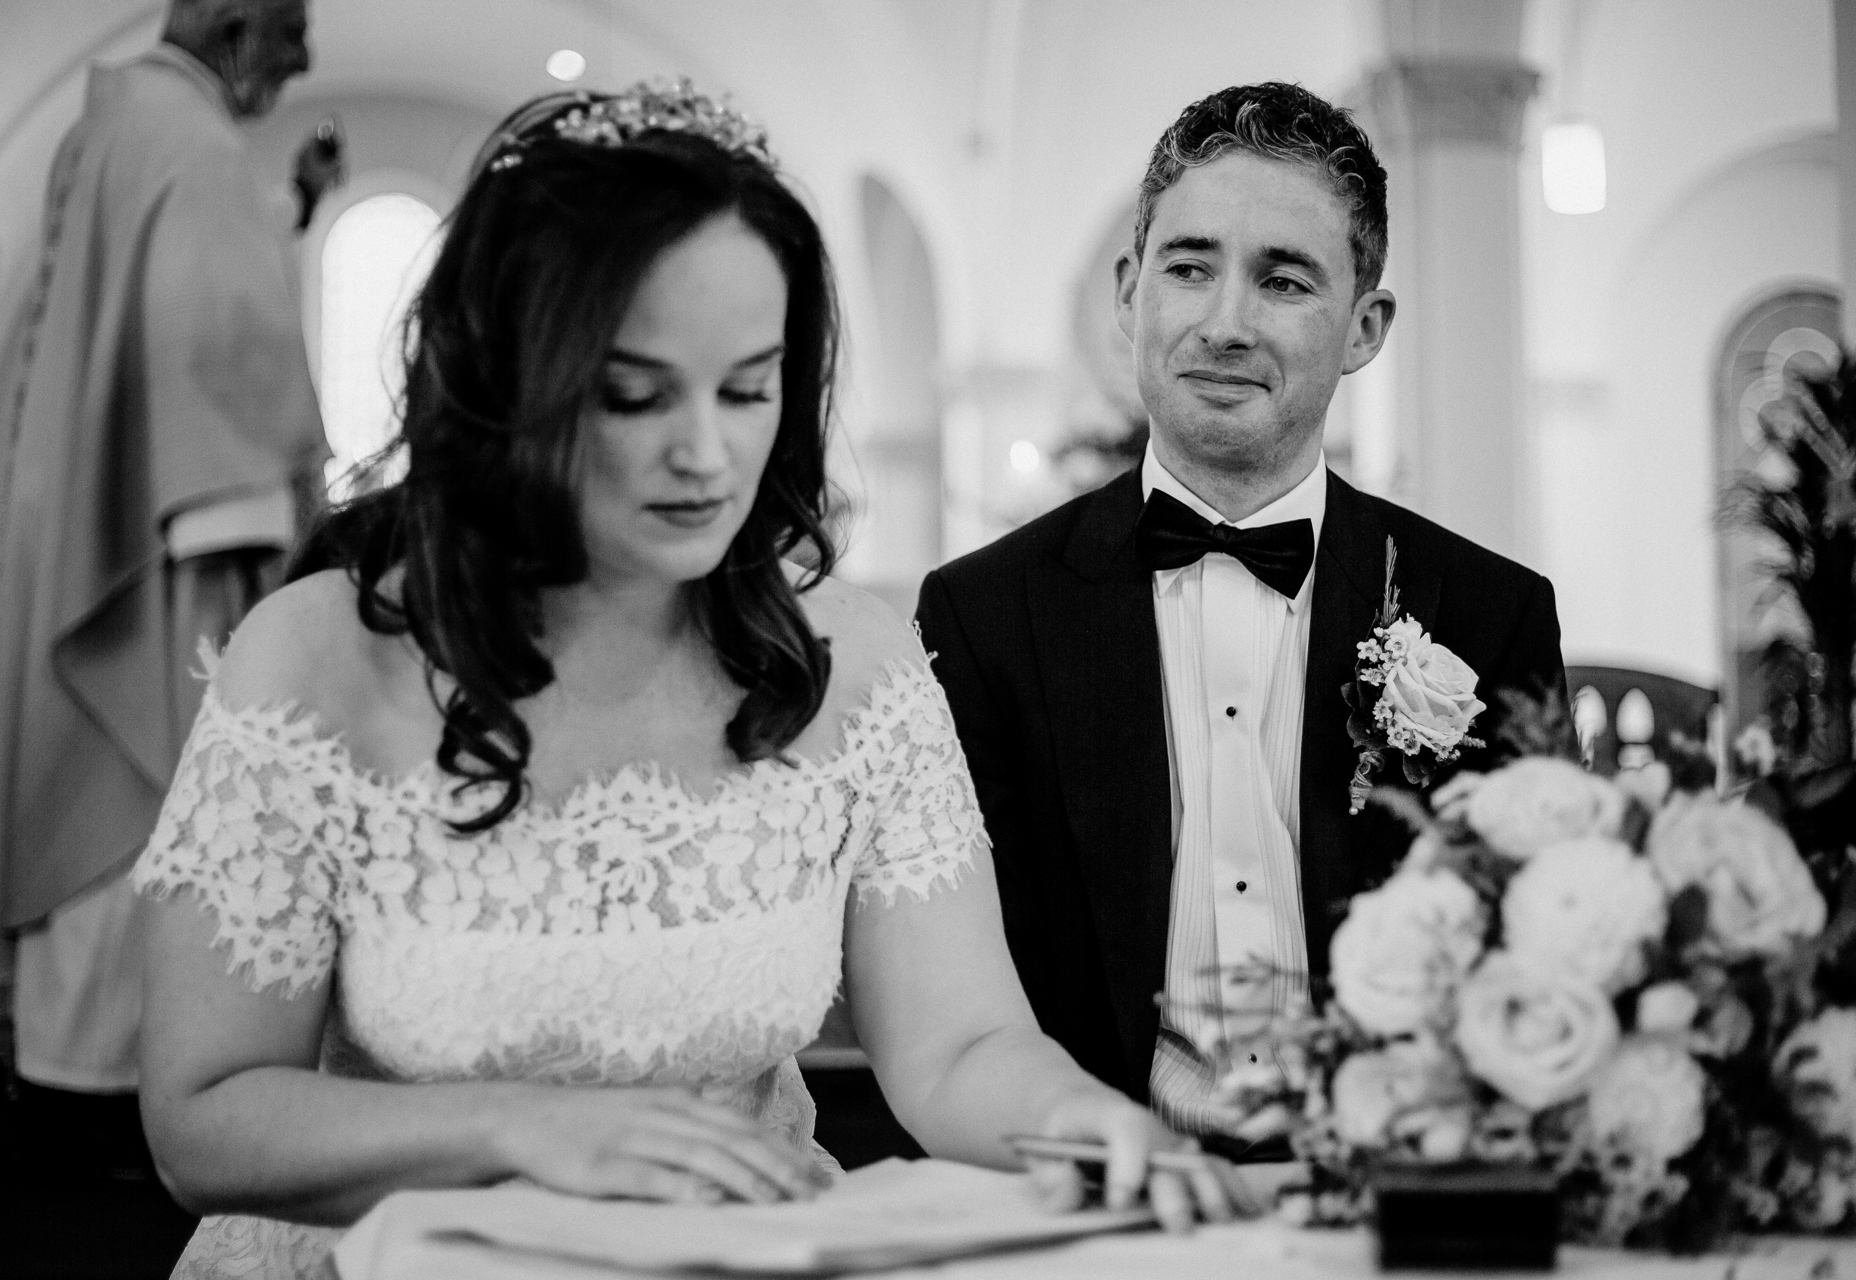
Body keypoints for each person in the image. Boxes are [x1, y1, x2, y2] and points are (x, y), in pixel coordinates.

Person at [132, 81, 1253, 1279]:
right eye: (635, 395)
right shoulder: (317, 660)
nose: (706, 454)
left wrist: (1081, 1125)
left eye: (748, 386)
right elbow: (203, 1112)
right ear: (509, 379)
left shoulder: (851, 665)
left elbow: (961, 1041)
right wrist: (517, 1125)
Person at [915, 81, 1567, 1138]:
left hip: (1392, 1185)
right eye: (1189, 267)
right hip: (1094, 1197)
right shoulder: (984, 615)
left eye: (1284, 280)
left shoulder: (1489, 615)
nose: (1224, 323)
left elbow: (1539, 952)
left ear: (1364, 327)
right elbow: (956, 996)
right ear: (1131, 292)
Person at [0, 0, 334, 1116]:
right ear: (239, 32)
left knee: (76, 760)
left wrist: (297, 205)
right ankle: (103, 1079)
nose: (298, 66)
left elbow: (172, 285)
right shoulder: (187, 139)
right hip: (175, 531)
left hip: (97, 504)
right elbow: (213, 330)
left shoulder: (120, 121)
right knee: (150, 771)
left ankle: (62, 1063)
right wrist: (270, 531)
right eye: (289, 45)